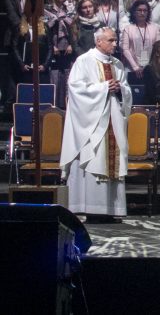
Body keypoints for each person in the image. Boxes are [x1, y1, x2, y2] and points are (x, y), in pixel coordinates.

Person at [60, 27, 132, 220]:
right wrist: (104, 87)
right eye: (111, 40)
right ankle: (92, 208)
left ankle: (112, 210)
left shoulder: (117, 64)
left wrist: (120, 89)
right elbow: (75, 89)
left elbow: (126, 89)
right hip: (92, 121)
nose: (115, 44)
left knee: (112, 159)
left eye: (115, 40)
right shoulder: (84, 61)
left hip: (114, 118)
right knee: (95, 157)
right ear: (98, 41)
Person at [44, 0, 77, 105]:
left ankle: (66, 105)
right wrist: (52, 46)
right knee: (55, 77)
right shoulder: (46, 9)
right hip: (53, 45)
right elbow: (45, 29)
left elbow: (73, 28)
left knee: (68, 77)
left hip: (67, 45)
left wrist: (71, 44)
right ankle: (54, 105)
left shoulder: (69, 9)